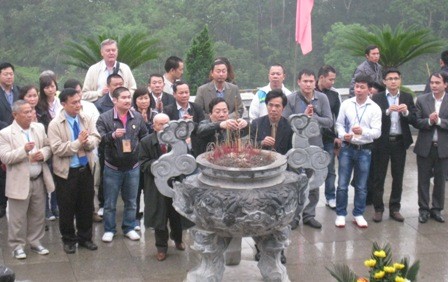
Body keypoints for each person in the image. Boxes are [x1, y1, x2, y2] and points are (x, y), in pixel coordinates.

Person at [48, 88, 100, 254]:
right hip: (67, 172)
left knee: (86, 205)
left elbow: (96, 137)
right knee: (67, 208)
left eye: (79, 101)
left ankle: (85, 237)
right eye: (74, 102)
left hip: (85, 169)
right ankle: (69, 239)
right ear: (63, 104)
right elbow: (57, 149)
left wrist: (87, 143)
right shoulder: (55, 124)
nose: (78, 105)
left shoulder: (86, 118)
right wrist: (77, 143)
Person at [0, 100, 54, 259]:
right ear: (15, 115)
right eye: (25, 112)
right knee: (17, 217)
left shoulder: (38, 127)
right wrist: (24, 150)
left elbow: (48, 146)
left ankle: (35, 242)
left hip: (38, 178)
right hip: (18, 181)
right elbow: (5, 157)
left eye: (31, 111)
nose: (30, 114)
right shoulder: (5, 133)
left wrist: (43, 154)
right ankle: (17, 245)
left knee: (37, 214)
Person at [282, 69, 333, 230]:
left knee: (314, 183)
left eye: (311, 81)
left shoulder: (322, 98)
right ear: (298, 82)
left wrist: (313, 118)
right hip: (296, 147)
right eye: (305, 81)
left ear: (315, 82)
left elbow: (329, 121)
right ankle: (294, 216)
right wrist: (302, 117)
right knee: (296, 183)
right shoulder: (291, 99)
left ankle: (309, 215)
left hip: (316, 146)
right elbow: (285, 121)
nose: (308, 84)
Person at [96, 87, 148, 242]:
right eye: (123, 97)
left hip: (133, 166)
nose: (127, 100)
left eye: (128, 97)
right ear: (114, 100)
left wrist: (139, 151)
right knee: (110, 202)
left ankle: (129, 227)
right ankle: (109, 229)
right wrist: (112, 135)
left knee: (131, 201)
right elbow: (99, 139)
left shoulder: (137, 117)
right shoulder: (104, 118)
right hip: (113, 167)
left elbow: (144, 136)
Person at [250, 89, 292, 264]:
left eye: (277, 106)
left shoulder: (289, 126)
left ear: (283, 108)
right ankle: (260, 247)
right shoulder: (257, 123)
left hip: (280, 177)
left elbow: (291, 152)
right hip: (261, 177)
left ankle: (279, 249)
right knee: (259, 215)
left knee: (280, 216)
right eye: (270, 105)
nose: (273, 109)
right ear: (266, 106)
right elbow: (248, 149)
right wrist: (261, 144)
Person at [139, 113, 188, 261]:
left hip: (175, 184)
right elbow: (143, 163)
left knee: (177, 215)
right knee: (159, 217)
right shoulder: (146, 142)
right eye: (160, 124)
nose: (164, 127)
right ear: (154, 126)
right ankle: (161, 247)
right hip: (156, 186)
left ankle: (178, 239)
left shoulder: (178, 140)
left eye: (167, 124)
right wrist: (160, 166)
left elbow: (186, 159)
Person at [335, 75, 382, 228]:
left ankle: (358, 214)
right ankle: (341, 214)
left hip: (365, 150)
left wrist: (363, 131)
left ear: (369, 90)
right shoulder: (346, 104)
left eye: (362, 87)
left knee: (361, 186)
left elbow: (377, 132)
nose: (359, 90)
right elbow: (339, 124)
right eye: (356, 87)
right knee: (342, 184)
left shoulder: (374, 108)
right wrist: (343, 135)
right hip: (347, 148)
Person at [371, 68, 416, 223]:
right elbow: (373, 118)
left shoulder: (406, 97)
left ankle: (395, 208)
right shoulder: (377, 98)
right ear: (384, 81)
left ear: (400, 80)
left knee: (398, 176)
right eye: (389, 78)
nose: (393, 81)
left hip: (399, 142)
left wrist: (406, 112)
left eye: (396, 78)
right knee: (379, 176)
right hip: (382, 142)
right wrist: (388, 111)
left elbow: (415, 119)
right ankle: (378, 209)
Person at [64, 79, 102, 223]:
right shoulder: (58, 116)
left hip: (89, 156)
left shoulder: (89, 108)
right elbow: (57, 145)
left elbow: (96, 132)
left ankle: (92, 211)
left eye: (80, 93)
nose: (78, 101)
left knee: (92, 187)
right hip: (69, 163)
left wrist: (87, 142)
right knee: (70, 197)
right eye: (74, 98)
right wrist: (77, 142)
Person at [414, 72, 448, 224]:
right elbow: (416, 121)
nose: (434, 85)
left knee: (440, 180)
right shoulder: (422, 99)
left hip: (443, 147)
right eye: (432, 82)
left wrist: (439, 120)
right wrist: (429, 121)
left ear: (445, 84)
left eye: (437, 82)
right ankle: (423, 209)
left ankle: (437, 209)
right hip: (425, 146)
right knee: (423, 179)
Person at [94, 73, 125, 218]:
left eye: (121, 84)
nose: (118, 87)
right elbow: (99, 128)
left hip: (126, 148)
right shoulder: (100, 104)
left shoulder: (126, 101)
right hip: (107, 146)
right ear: (108, 86)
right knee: (104, 177)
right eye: (115, 85)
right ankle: (103, 204)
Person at [316, 65, 341, 209]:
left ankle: (330, 196)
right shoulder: (310, 93)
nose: (332, 82)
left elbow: (338, 118)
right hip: (312, 137)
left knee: (330, 169)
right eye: (330, 79)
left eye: (334, 80)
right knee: (309, 168)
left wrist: (337, 136)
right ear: (321, 78)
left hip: (329, 137)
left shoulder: (334, 95)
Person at [36, 74, 61, 221]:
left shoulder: (60, 103)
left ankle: (55, 206)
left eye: (52, 86)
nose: (50, 89)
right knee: (46, 177)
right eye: (47, 87)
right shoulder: (39, 106)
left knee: (58, 177)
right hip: (45, 144)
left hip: (58, 144)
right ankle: (46, 209)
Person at [0, 62, 20, 218]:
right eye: (5, 74)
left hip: (18, 137)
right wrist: (7, 127)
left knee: (16, 167)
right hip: (1, 135)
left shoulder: (19, 91)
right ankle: (2, 203)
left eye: (11, 73)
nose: (9, 76)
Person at [163, 80, 205, 157]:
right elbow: (167, 129)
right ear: (174, 94)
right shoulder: (168, 110)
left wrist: (191, 123)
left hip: (195, 147)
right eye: (181, 93)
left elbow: (202, 127)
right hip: (175, 148)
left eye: (187, 92)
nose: (184, 95)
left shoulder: (197, 108)